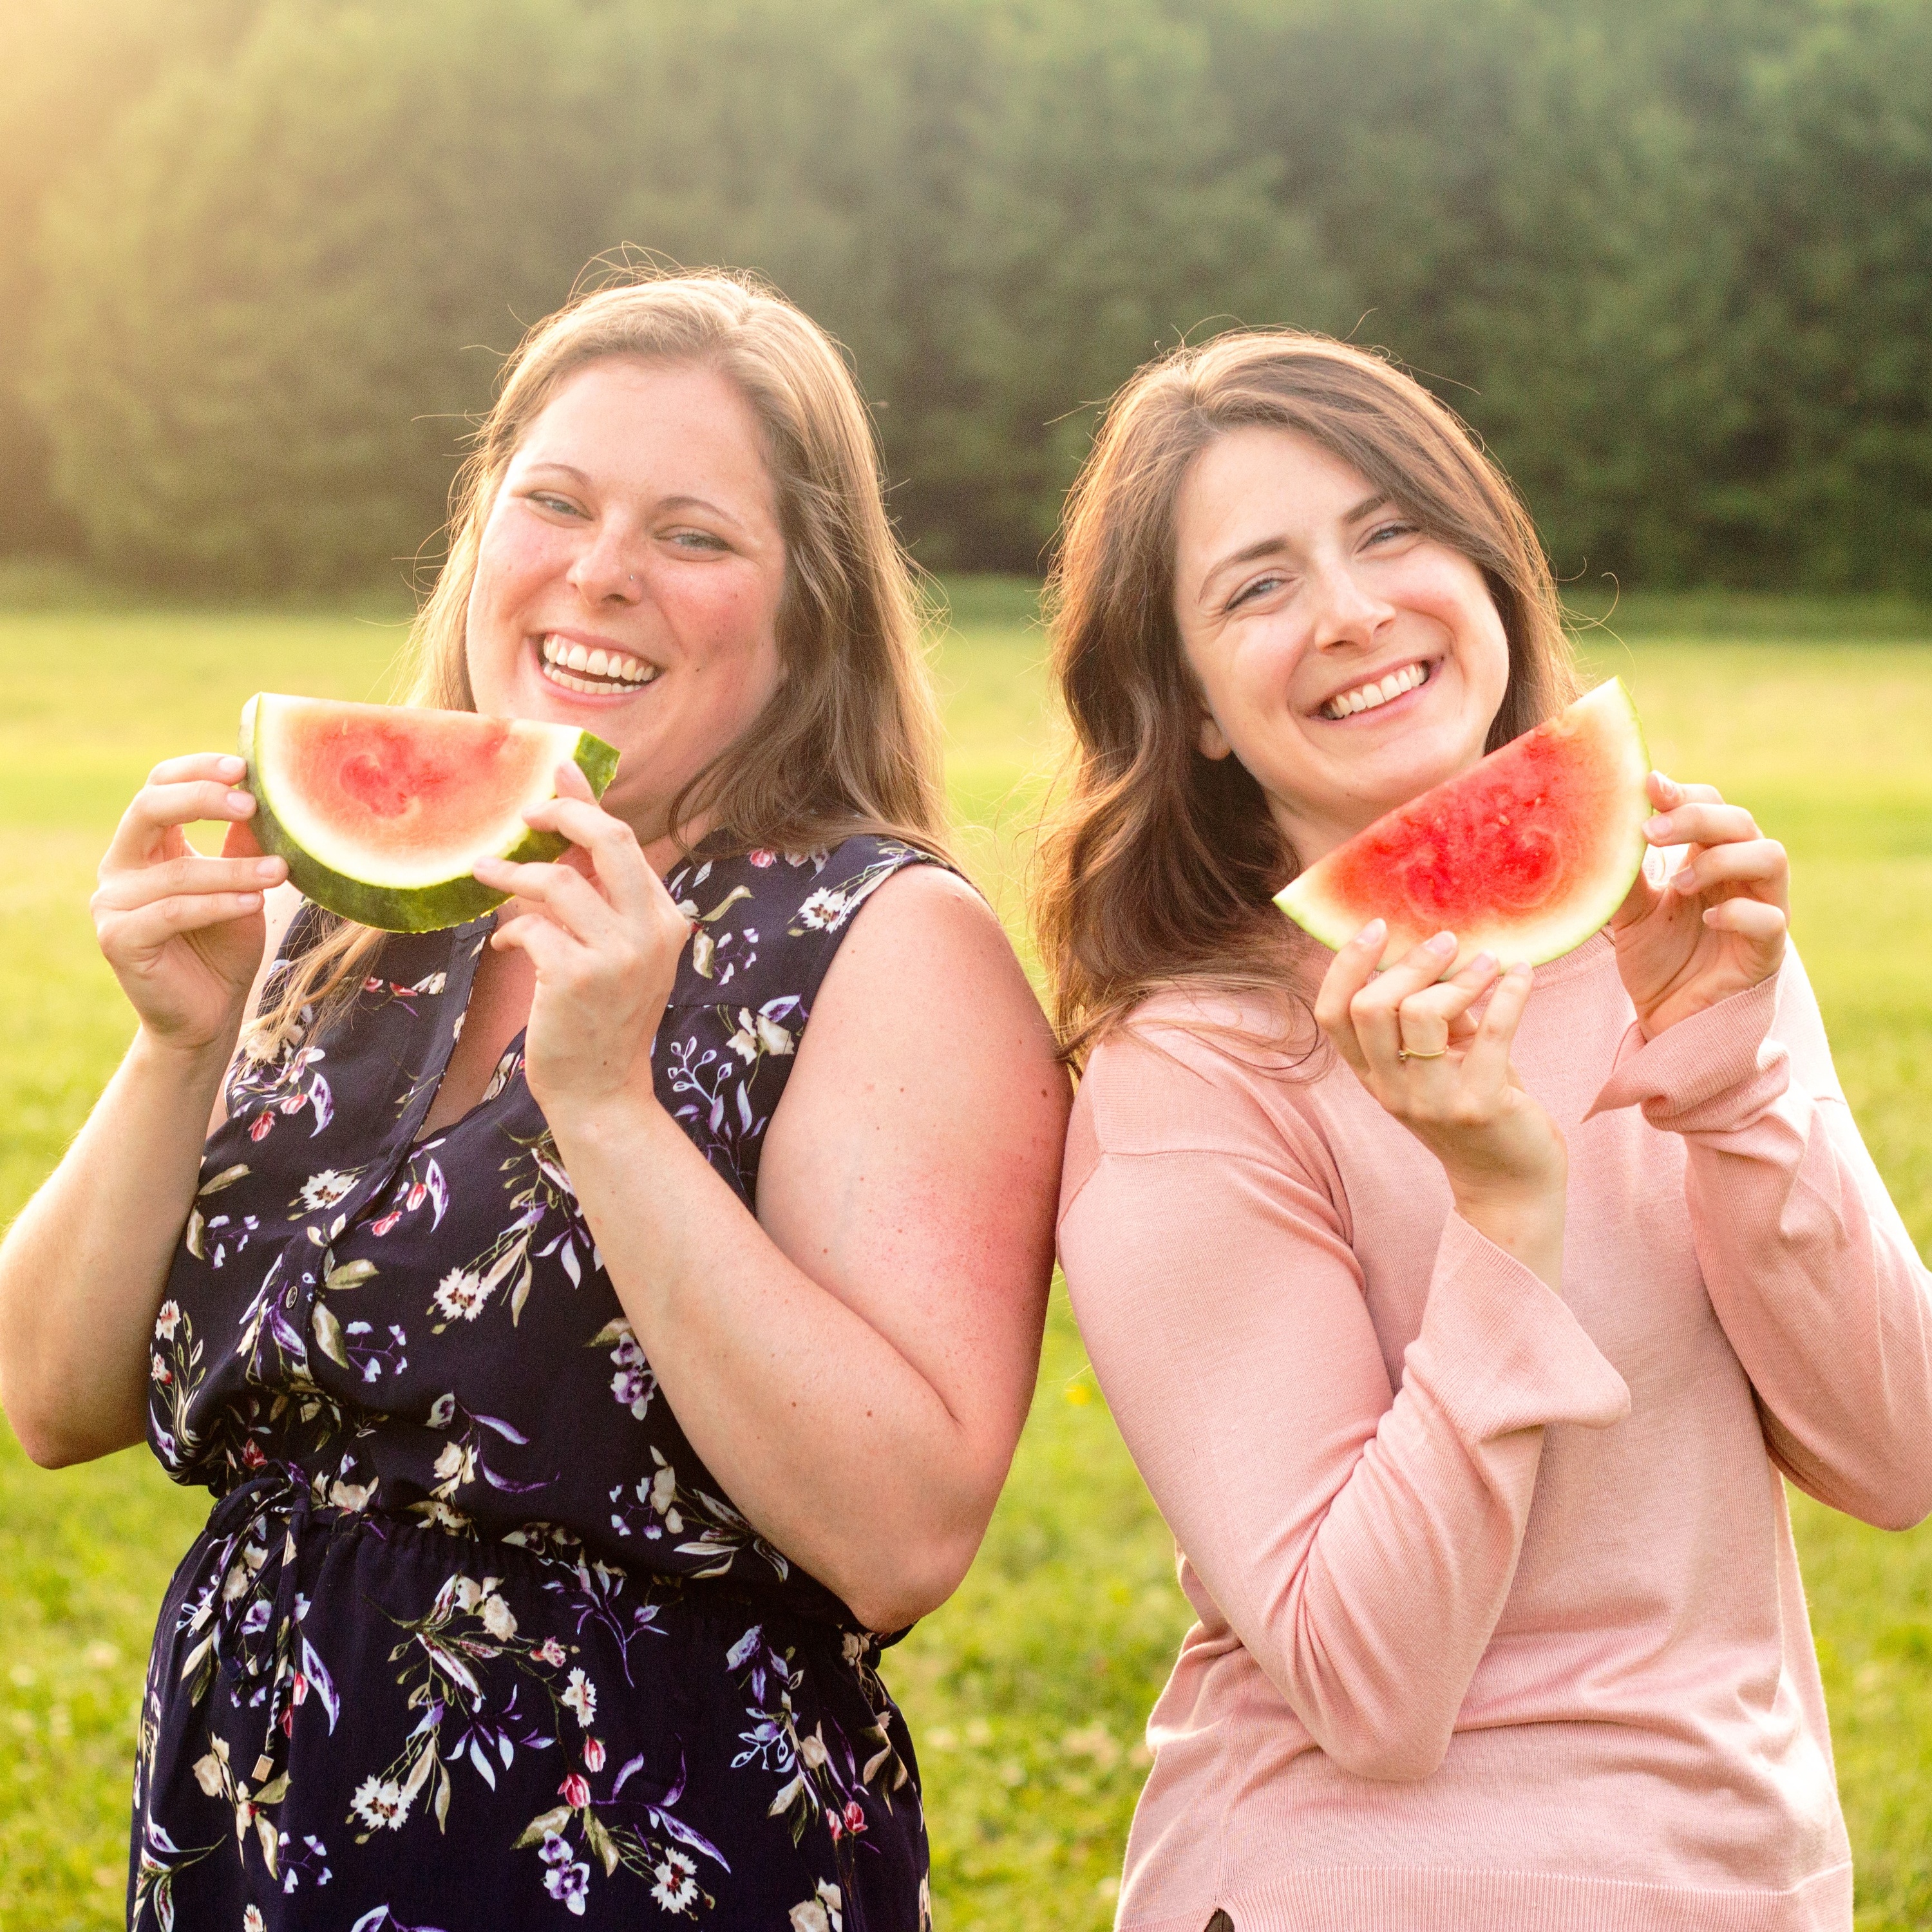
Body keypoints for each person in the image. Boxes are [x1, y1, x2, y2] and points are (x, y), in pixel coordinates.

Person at [0, 269, 1068, 1929]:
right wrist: (176, 1049)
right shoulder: (343, 917)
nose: (600, 573)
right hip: (247, 1850)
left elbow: (904, 1531)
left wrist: (612, 1107)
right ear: (480, 533)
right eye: (552, 503)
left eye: (695, 535)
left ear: (812, 610)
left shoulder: (887, 945)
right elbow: (52, 1402)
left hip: (647, 1854)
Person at [1036, 328, 1932, 1932]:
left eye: (1392, 530)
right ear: (1201, 716)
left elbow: (1896, 1452)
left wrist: (1726, 1072)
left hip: (1735, 1882)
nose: (1354, 608)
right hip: (1360, 1886)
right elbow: (1366, 1689)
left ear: (1489, 568)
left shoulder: (1675, 924)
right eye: (1258, 587)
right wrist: (1502, 1216)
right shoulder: (1188, 1070)